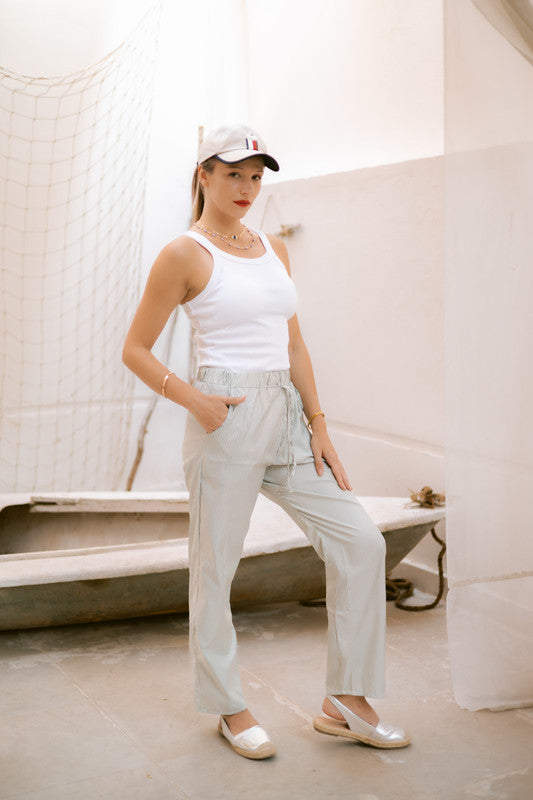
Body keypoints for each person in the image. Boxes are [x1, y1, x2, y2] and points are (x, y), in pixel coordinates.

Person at [122, 123, 410, 760]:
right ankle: (229, 706)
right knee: (215, 569)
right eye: (233, 174)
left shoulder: (274, 247)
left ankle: (345, 701)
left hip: (286, 412)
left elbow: (294, 342)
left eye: (256, 176)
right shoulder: (184, 253)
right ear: (204, 174)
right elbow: (135, 349)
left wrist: (319, 424)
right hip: (225, 411)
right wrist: (195, 399)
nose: (247, 188)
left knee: (360, 543)